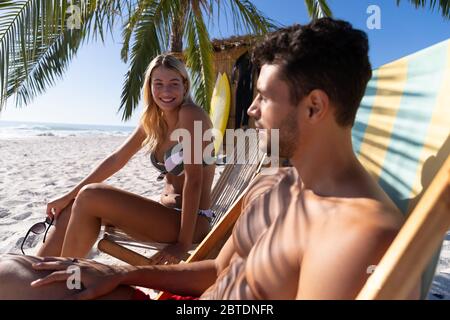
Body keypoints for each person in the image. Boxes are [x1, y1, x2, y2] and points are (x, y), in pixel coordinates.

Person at [0, 18, 419, 300]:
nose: (250, 111)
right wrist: (122, 274)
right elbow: (215, 270)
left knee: (19, 282)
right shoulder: (272, 186)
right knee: (17, 270)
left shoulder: (360, 238)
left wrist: (178, 249)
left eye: (262, 98)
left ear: (313, 107)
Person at [35, 54, 216, 263]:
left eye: (173, 83)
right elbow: (116, 160)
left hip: (190, 225)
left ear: (185, 86)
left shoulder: (191, 114)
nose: (166, 91)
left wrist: (182, 245)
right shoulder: (154, 119)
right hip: (164, 218)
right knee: (73, 204)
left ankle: (62, 279)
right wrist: (67, 195)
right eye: (159, 84)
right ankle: (36, 272)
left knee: (90, 195)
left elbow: (194, 180)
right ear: (149, 87)